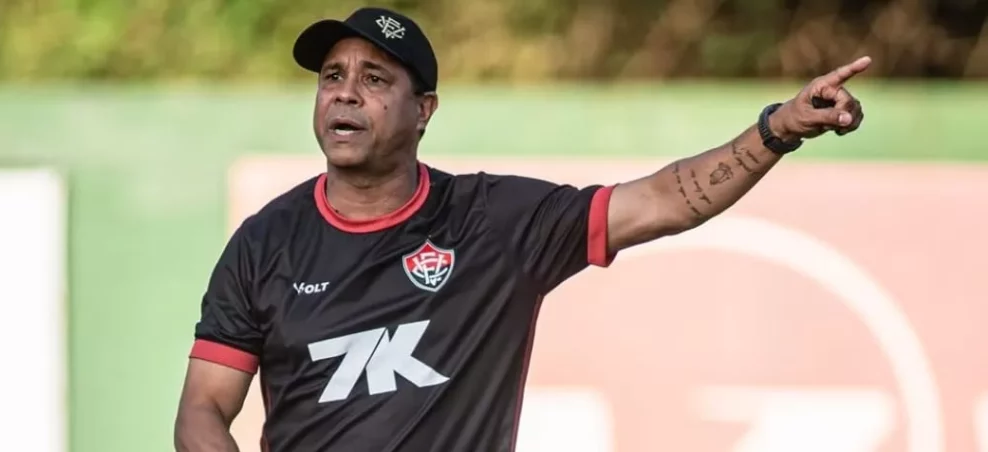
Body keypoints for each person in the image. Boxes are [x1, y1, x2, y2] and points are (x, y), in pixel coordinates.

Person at [173, 6, 869, 452]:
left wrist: (777, 130)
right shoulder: (265, 243)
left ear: (424, 111)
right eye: (332, 76)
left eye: (376, 79)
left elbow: (666, 201)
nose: (345, 92)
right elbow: (203, 408)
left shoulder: (496, 222)